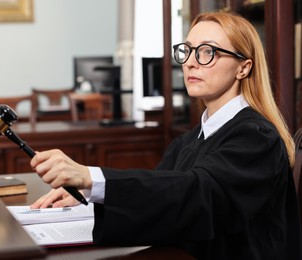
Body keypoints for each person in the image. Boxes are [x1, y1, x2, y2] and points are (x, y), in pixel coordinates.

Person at [29, 11, 301, 260]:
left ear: (244, 67)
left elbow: (198, 195)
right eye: (187, 51)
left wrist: (91, 177)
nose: (191, 63)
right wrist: (88, 198)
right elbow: (162, 204)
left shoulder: (257, 137)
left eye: (207, 52)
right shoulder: (188, 140)